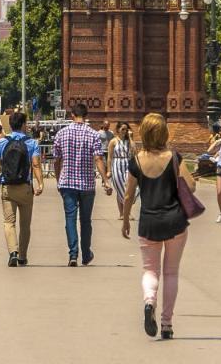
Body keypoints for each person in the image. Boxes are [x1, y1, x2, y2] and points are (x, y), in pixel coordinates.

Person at [120, 113, 193, 339]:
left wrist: (124, 220)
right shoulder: (174, 157)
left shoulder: (137, 161)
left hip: (148, 222)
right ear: (164, 132)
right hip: (175, 222)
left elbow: (129, 194)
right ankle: (167, 324)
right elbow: (190, 185)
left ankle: (149, 301)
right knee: (171, 272)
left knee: (150, 270)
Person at [52, 102, 110, 266]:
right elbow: (98, 158)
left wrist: (58, 179)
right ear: (86, 116)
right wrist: (106, 180)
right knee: (86, 221)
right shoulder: (93, 134)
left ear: (72, 115)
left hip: (67, 183)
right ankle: (86, 254)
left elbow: (57, 160)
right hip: (86, 185)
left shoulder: (61, 133)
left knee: (70, 218)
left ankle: (73, 254)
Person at [0, 111, 44, 266]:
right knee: (25, 224)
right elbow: (35, 164)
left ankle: (13, 253)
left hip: (7, 186)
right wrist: (40, 183)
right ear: (23, 125)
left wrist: (5, 170)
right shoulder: (32, 143)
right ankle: (22, 256)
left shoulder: (2, 142)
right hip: (25, 187)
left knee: (9, 222)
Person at [107, 122, 133, 219]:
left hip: (127, 164)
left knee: (128, 189)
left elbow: (134, 151)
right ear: (118, 130)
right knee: (119, 189)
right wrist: (109, 170)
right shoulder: (113, 141)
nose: (125, 131)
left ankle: (128, 212)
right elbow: (109, 157)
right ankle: (122, 214)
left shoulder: (129, 140)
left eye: (126, 129)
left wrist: (130, 138)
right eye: (123, 129)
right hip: (117, 165)